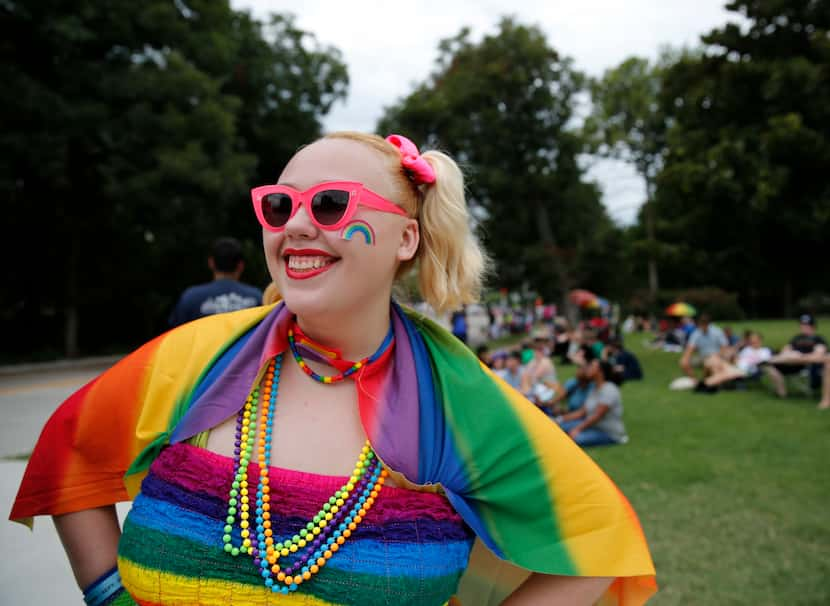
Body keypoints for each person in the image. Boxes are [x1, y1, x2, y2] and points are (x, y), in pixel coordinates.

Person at [10, 132, 655, 605]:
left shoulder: (460, 400)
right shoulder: (196, 356)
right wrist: (106, 594)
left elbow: (597, 540)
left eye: (329, 207)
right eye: (279, 207)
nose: (295, 227)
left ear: (406, 238)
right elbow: (72, 453)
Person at [168, 237, 263, 326]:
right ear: (240, 265)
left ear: (211, 263)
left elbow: (175, 335)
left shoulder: (190, 298)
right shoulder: (257, 297)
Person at [556, 348, 628, 447]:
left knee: (574, 438)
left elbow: (597, 416)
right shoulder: (594, 387)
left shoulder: (609, 390)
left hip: (607, 432)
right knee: (558, 427)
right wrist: (559, 419)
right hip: (592, 427)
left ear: (600, 372)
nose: (588, 369)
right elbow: (582, 411)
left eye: (592, 366)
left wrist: (578, 429)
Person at [764, 314, 827, 397]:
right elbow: (785, 350)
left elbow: (818, 355)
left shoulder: (818, 339)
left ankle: (769, 360)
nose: (803, 327)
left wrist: (800, 356)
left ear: (813, 326)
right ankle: (782, 393)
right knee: (768, 365)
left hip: (804, 364)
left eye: (806, 325)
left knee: (773, 360)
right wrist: (788, 355)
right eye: (802, 325)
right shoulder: (797, 338)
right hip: (789, 361)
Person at [679, 314, 728, 381]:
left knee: (710, 363)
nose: (702, 326)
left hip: (715, 356)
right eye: (701, 324)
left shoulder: (717, 332)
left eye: (704, 324)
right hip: (702, 357)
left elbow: (724, 347)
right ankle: (695, 380)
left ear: (708, 324)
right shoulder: (696, 333)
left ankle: (708, 380)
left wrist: (717, 356)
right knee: (683, 362)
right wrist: (686, 358)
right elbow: (690, 348)